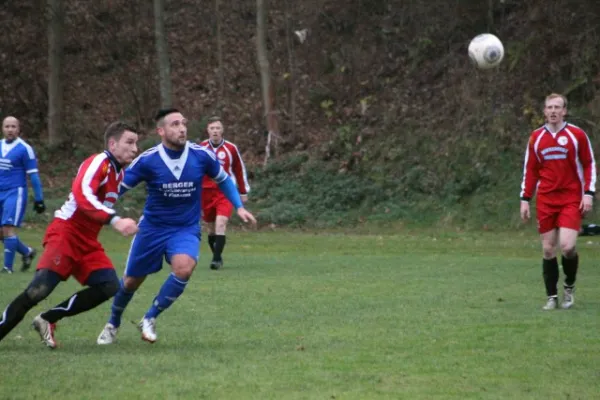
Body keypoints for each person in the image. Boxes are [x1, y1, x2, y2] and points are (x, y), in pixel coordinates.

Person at [97, 108, 256, 345]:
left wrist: (239, 206)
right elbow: (117, 188)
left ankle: (150, 317)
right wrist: (98, 207)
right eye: (174, 124)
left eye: (183, 123)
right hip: (151, 229)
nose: (182, 128)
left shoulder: (201, 155)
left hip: (185, 228)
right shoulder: (148, 160)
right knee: (131, 282)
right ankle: (113, 323)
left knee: (184, 268)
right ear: (161, 131)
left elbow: (223, 179)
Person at [0, 121, 139, 348]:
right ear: (113, 144)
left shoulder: (119, 172)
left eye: (136, 143)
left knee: (109, 285)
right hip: (66, 232)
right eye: (130, 142)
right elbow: (82, 194)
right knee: (38, 290)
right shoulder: (98, 162)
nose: (135, 148)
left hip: (87, 241)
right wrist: (114, 219)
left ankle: (47, 319)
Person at [520, 93, 596, 310]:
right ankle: (552, 297)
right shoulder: (536, 138)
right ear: (544, 111)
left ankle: (569, 288)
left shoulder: (576, 135)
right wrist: (525, 199)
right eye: (549, 107)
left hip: (571, 198)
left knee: (568, 246)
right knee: (548, 249)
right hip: (546, 199)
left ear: (564, 111)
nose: (553, 111)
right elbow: (530, 170)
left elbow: (589, 163)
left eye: (557, 107)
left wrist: (588, 193)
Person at [198, 116, 250, 270]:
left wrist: (242, 191)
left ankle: (215, 260)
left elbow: (239, 170)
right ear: (208, 130)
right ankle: (218, 256)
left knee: (222, 223)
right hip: (205, 192)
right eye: (212, 128)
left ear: (222, 130)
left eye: (218, 128)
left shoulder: (231, 148)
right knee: (211, 227)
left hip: (224, 191)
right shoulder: (200, 148)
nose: (215, 131)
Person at [0, 116, 46, 273]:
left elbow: (33, 175)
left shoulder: (24, 149)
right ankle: (27, 252)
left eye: (13, 126)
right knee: (1, 233)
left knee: (8, 229)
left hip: (15, 192)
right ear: (2, 128)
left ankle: (7, 268)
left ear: (18, 129)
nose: (10, 129)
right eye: (7, 126)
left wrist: (39, 199)